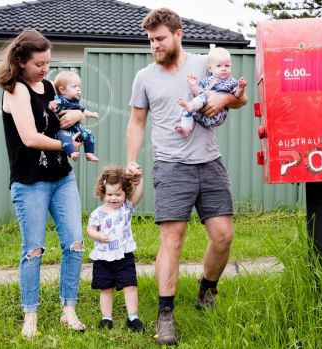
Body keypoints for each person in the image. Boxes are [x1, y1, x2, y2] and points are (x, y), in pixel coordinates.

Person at [125, 8, 247, 346]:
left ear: (178, 34)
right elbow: (136, 122)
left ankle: (207, 290)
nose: (155, 46)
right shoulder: (144, 77)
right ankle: (166, 315)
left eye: (160, 38)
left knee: (223, 236)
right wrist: (131, 160)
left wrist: (223, 98)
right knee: (172, 240)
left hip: (210, 162)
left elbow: (241, 98)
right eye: (150, 40)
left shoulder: (205, 64)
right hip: (170, 165)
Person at [0, 29, 87, 339]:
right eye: (39, 63)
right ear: (21, 61)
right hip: (30, 181)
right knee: (33, 250)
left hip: (62, 178)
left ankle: (68, 310)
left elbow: (63, 117)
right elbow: (31, 138)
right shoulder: (15, 91)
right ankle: (30, 314)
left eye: (48, 62)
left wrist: (75, 116)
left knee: (74, 242)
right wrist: (66, 147)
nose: (45, 69)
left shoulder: (48, 87)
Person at [86, 166, 144, 332]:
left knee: (130, 286)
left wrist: (139, 181)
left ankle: (133, 318)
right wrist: (98, 236)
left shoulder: (126, 208)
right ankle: (106, 318)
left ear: (125, 193)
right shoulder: (98, 213)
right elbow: (90, 229)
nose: (114, 198)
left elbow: (138, 194)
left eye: (118, 194)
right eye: (109, 194)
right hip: (103, 259)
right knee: (105, 289)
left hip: (124, 256)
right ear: (103, 193)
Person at [175, 47, 247, 138]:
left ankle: (191, 106)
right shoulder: (206, 81)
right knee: (187, 110)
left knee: (203, 96)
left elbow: (238, 95)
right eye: (219, 66)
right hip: (202, 116)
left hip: (218, 116)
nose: (224, 69)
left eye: (227, 66)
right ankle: (186, 129)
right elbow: (199, 94)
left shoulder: (231, 82)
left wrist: (241, 88)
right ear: (210, 68)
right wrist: (194, 85)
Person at [50, 71, 100, 162]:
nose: (78, 89)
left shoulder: (75, 101)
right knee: (64, 137)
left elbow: (83, 111)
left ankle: (89, 153)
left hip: (76, 129)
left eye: (79, 87)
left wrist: (92, 114)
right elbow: (54, 108)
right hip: (64, 130)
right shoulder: (60, 100)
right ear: (62, 90)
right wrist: (52, 106)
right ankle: (72, 152)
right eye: (74, 86)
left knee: (89, 133)